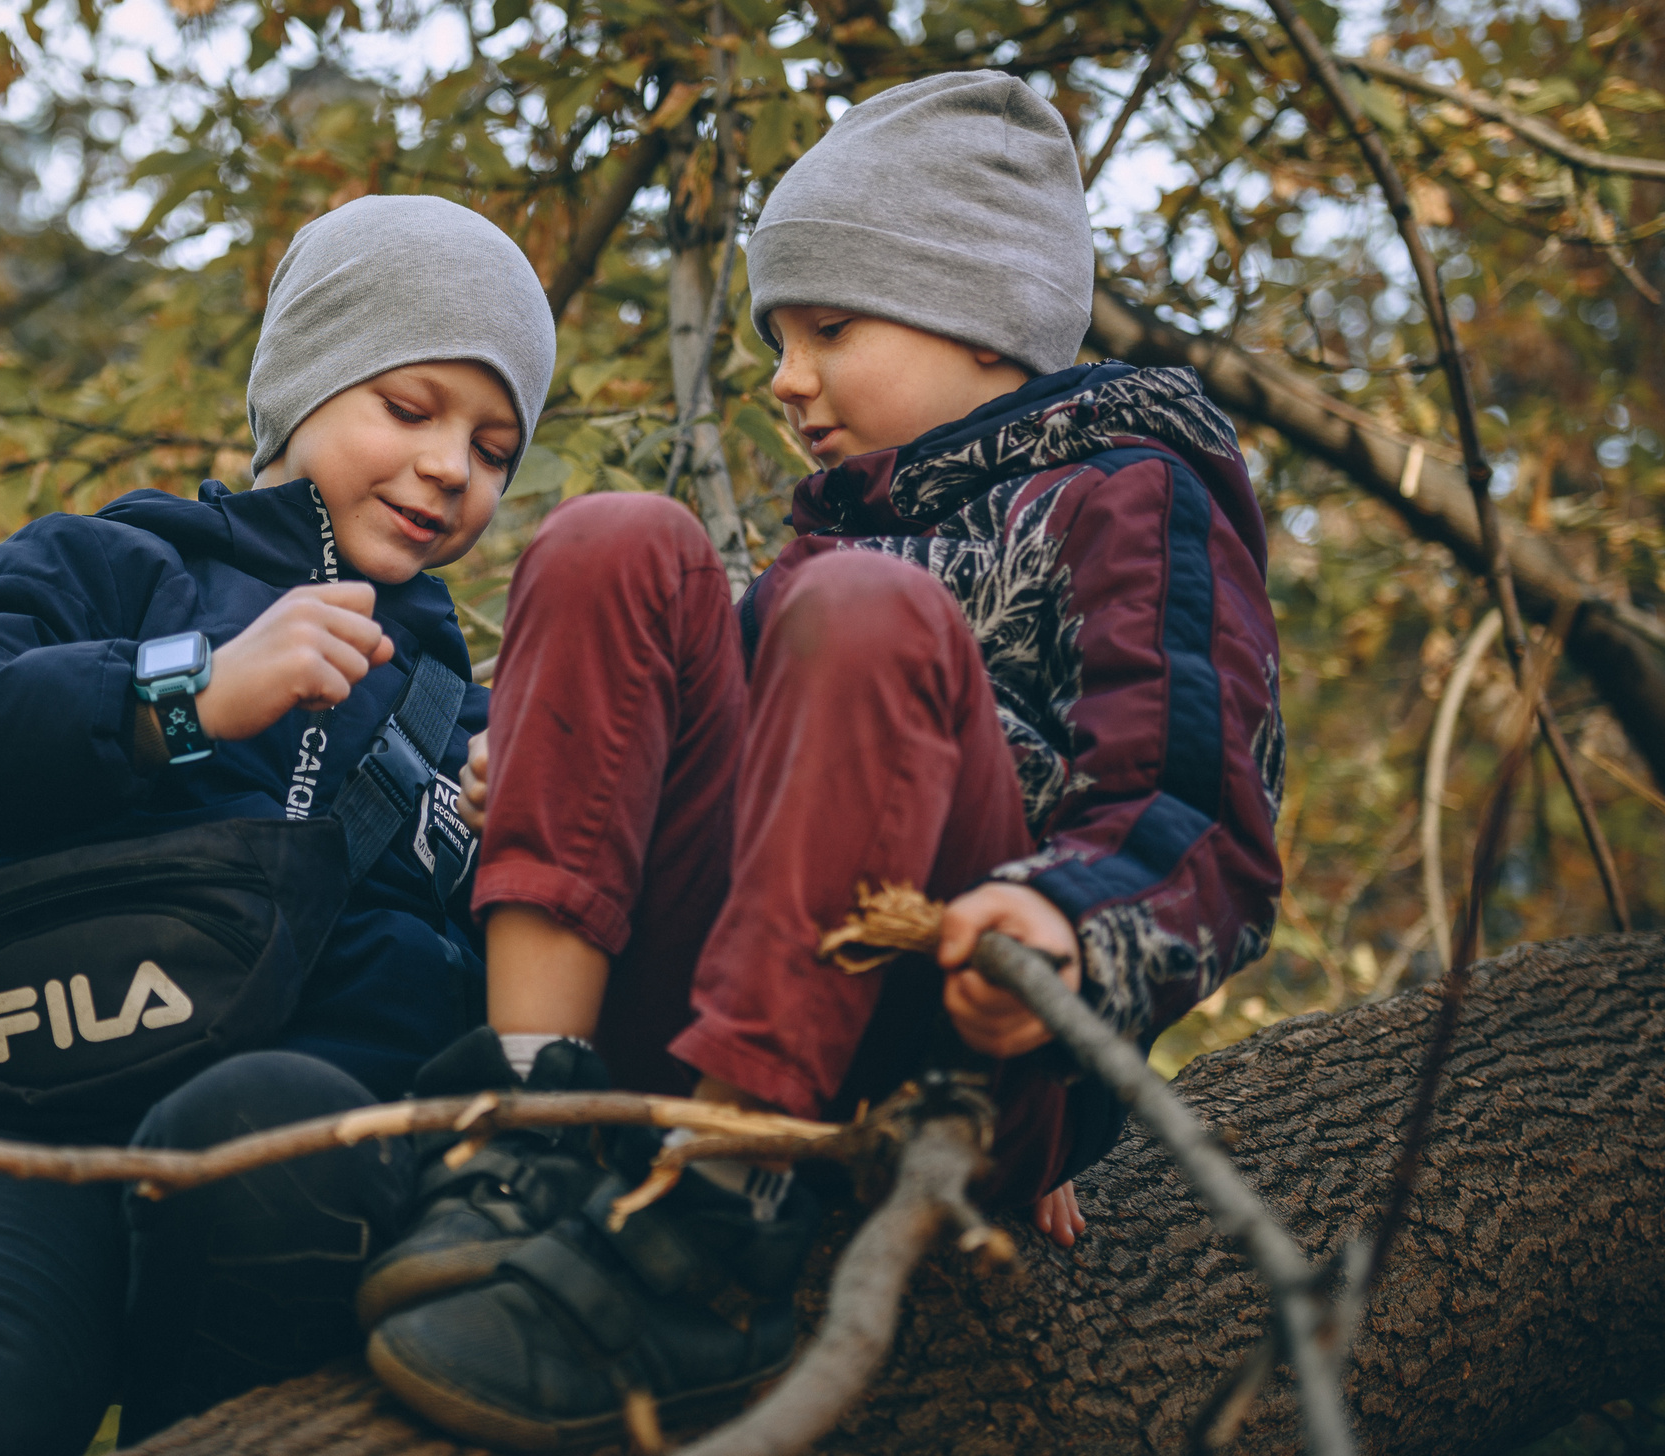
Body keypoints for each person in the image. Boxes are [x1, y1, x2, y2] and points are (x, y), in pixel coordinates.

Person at [361, 72, 1286, 1451]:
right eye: (778, 339)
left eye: (830, 330)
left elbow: (1195, 811)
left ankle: (718, 1225)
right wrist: (559, 787)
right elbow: (725, 784)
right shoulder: (831, 545)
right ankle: (530, 1122)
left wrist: (1065, 947)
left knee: (861, 611)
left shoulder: (1127, 488)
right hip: (715, 1004)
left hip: (956, 1030)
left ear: (979, 321)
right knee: (621, 536)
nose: (785, 382)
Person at [0, 194, 555, 1455]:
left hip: (296, 1180)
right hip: (18, 1129)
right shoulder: (126, 568)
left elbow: (489, 1002)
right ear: (303, 389)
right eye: (408, 409)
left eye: (495, 446)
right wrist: (174, 697)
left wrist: (504, 832)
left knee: (259, 1128)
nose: (453, 466)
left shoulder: (472, 712)